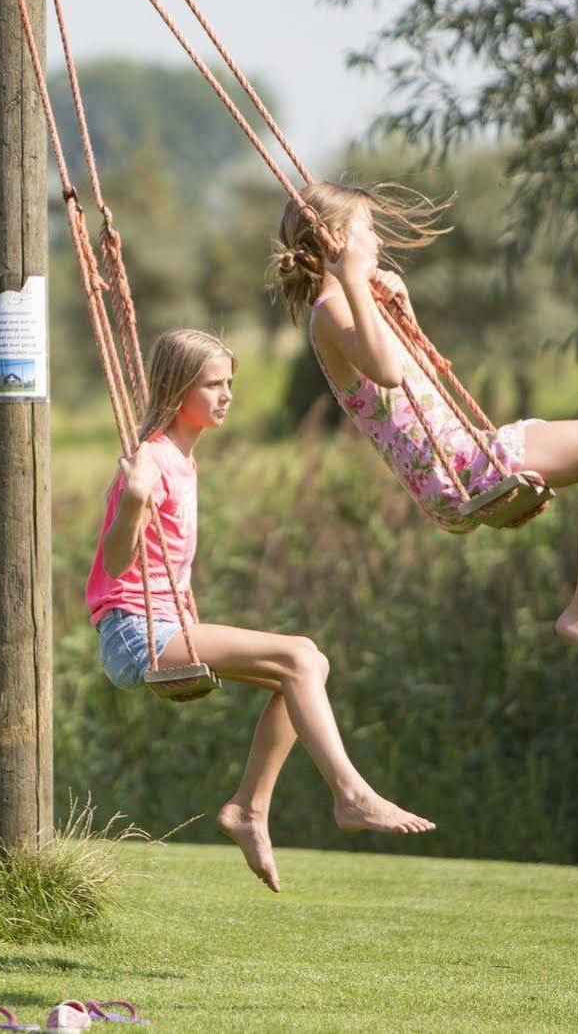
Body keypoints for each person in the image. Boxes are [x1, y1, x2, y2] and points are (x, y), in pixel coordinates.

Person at [89, 328, 435, 893]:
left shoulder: (181, 458)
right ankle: (351, 794)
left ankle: (248, 809)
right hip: (134, 631)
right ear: (179, 390)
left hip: (163, 627)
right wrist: (130, 503)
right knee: (299, 655)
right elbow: (117, 559)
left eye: (230, 383)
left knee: (308, 667)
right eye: (213, 385)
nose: (227, 395)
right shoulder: (150, 461)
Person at [273, 182, 578, 686]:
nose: (380, 243)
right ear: (336, 239)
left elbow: (421, 386)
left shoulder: (347, 306)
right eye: (370, 230)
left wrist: (401, 312)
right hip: (461, 471)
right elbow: (389, 374)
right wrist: (353, 283)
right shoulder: (331, 309)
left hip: (458, 468)